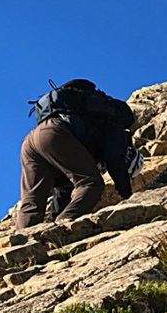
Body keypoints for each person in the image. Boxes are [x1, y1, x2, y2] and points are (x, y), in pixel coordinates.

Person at [16, 79, 136, 230]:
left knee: (32, 203)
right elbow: (115, 159)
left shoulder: (84, 117)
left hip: (33, 140)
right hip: (56, 133)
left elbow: (64, 188)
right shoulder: (112, 125)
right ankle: (65, 225)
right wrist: (127, 194)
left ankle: (24, 241)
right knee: (91, 183)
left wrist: (55, 219)